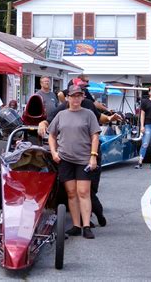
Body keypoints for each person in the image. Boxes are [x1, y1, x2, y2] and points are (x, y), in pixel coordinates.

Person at [38, 79, 119, 228]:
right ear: (68, 95)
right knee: (72, 191)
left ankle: (95, 216)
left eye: (81, 91)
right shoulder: (63, 109)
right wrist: (43, 123)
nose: (79, 95)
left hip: (88, 156)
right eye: (75, 93)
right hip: (67, 157)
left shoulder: (88, 106)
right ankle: (79, 223)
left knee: (87, 191)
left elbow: (98, 119)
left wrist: (109, 118)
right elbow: (50, 124)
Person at [48, 84, 101, 239]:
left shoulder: (89, 114)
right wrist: (53, 152)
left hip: (83, 159)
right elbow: (51, 135)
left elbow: (95, 136)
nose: (76, 99)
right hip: (65, 158)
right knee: (71, 193)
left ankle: (86, 225)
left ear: (82, 97)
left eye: (79, 96)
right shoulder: (61, 115)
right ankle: (76, 225)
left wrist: (93, 156)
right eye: (73, 96)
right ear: (68, 98)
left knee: (83, 192)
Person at [135, 86, 151, 169]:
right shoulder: (145, 102)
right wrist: (142, 126)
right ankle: (140, 162)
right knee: (145, 143)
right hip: (148, 124)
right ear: (149, 93)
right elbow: (142, 114)